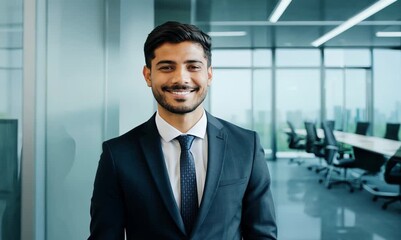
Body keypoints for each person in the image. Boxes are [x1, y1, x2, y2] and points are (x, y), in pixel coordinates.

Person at [88, 21, 277, 240]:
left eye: (193, 66)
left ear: (209, 74)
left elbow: (262, 234)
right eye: (167, 67)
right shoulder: (117, 154)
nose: (181, 78)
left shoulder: (246, 145)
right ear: (148, 75)